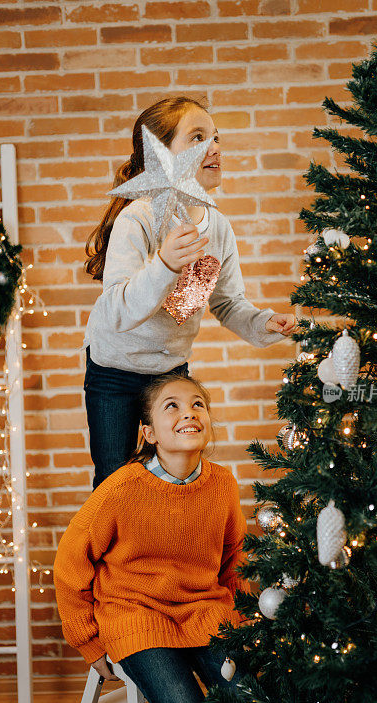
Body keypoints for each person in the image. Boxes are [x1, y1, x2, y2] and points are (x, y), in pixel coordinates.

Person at [83, 95, 296, 488]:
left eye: (216, 137)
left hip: (169, 370)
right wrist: (164, 265)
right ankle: (115, 550)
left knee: (175, 472)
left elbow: (228, 304)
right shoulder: (139, 219)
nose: (214, 147)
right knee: (114, 477)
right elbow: (116, 310)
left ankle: (165, 546)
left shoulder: (218, 228)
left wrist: (266, 323)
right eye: (198, 137)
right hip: (115, 368)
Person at [54, 373, 250, 703]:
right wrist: (87, 638)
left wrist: (243, 622)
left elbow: (235, 559)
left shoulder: (223, 485)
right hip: (136, 615)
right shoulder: (120, 489)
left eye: (198, 404)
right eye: (172, 406)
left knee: (249, 700)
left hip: (203, 611)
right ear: (149, 433)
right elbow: (71, 561)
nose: (188, 413)